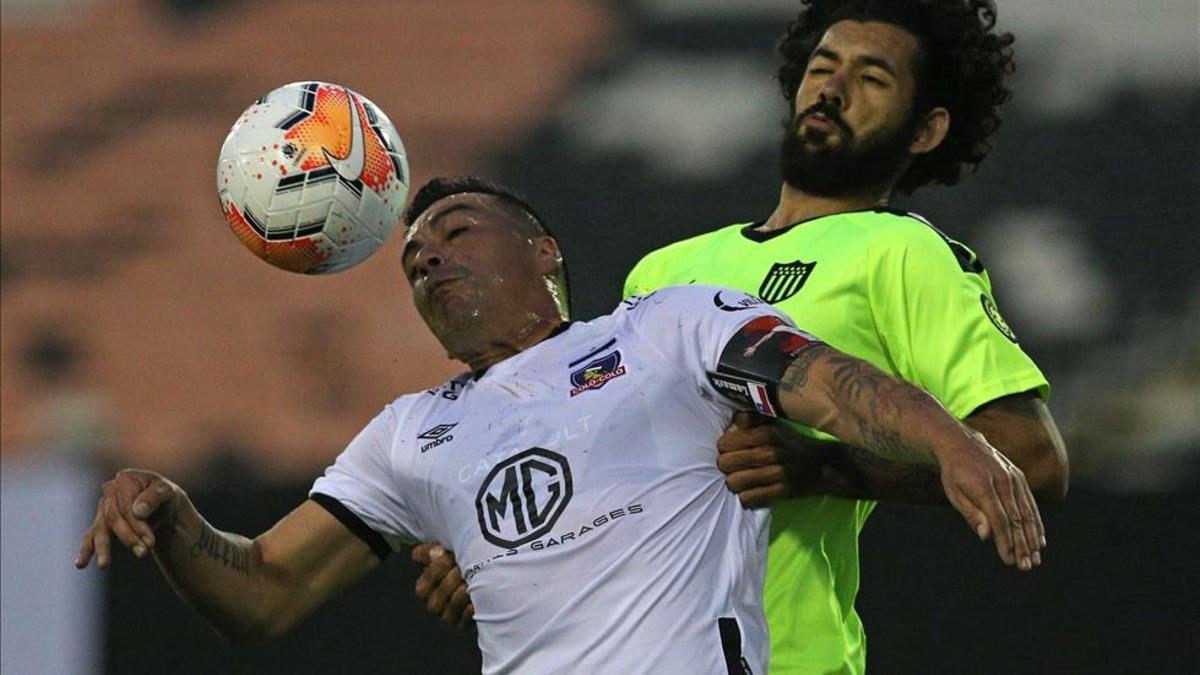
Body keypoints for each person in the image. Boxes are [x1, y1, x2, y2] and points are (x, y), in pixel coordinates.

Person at [77, 177, 1044, 674]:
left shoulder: (669, 326)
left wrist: (956, 442)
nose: (426, 259)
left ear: (543, 250)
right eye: (412, 255)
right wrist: (174, 521)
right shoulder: (411, 433)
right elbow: (265, 592)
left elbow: (829, 384)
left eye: (456, 232)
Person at [412, 1, 1069, 673]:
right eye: (822, 68)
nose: (832, 90)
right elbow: (608, 466)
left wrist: (829, 470)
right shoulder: (663, 269)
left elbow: (1031, 455)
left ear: (926, 130)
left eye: (871, 78)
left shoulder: (900, 252)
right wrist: (493, 553)